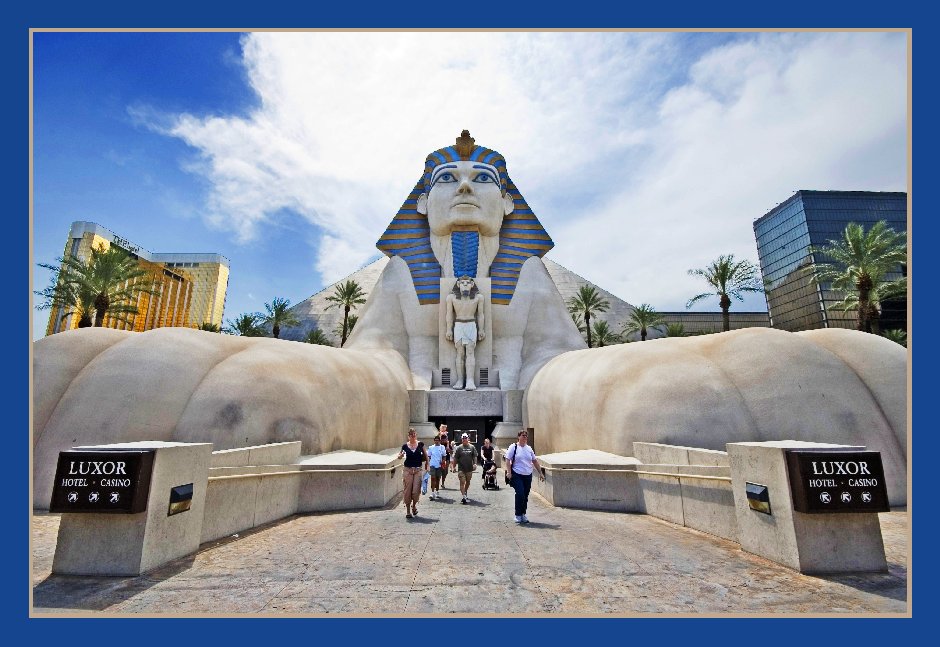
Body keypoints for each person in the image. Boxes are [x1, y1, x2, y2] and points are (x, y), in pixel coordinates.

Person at [445, 276, 485, 390]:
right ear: (458, 284)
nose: (465, 284)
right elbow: (448, 315)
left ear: (472, 284)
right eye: (463, 282)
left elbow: (480, 315)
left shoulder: (479, 298)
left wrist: (481, 329)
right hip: (458, 325)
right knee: (460, 353)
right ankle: (460, 380)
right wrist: (449, 329)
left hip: (471, 325)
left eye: (468, 282)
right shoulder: (451, 298)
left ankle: (470, 380)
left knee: (470, 352)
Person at [504, 430, 544, 523]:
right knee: (520, 493)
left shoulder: (529, 448)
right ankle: (518, 514)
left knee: (525, 495)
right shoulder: (513, 447)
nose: (525, 437)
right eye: (523, 435)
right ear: (518, 437)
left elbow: (535, 461)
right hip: (517, 474)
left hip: (528, 475)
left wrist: (540, 473)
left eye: (526, 435)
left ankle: (523, 514)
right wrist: (509, 473)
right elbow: (507, 460)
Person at [398, 428, 428, 519]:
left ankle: (414, 505)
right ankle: (408, 511)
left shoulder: (420, 444)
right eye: (411, 435)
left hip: (418, 470)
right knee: (407, 491)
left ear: (416, 435)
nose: (413, 436)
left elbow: (426, 456)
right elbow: (399, 456)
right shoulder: (405, 446)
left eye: (414, 434)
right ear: (408, 436)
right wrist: (400, 456)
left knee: (415, 491)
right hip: (408, 470)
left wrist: (428, 465)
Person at [451, 432, 479, 504]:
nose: (464, 439)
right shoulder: (459, 448)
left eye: (465, 438)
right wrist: (453, 467)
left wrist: (475, 464)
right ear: (461, 439)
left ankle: (465, 491)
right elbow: (455, 458)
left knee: (468, 481)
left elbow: (475, 456)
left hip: (469, 468)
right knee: (462, 482)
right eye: (463, 438)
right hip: (461, 468)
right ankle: (463, 496)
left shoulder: (472, 447)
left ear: (468, 439)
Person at [426, 433, 448, 500]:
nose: (436, 441)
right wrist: (427, 464)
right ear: (434, 441)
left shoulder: (442, 447)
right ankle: (432, 493)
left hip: (439, 465)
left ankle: (437, 491)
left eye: (437, 440)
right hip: (432, 465)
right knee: (433, 478)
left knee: (438, 479)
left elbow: (444, 456)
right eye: (435, 440)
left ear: (439, 441)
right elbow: (428, 456)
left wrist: (443, 461)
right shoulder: (431, 447)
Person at [439, 425, 452, 489]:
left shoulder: (447, 441)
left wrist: (448, 447)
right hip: (440, 456)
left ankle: (443, 482)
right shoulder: (439, 435)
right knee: (440, 470)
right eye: (442, 428)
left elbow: (451, 451)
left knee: (445, 471)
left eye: (444, 428)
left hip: (447, 456)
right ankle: (440, 482)